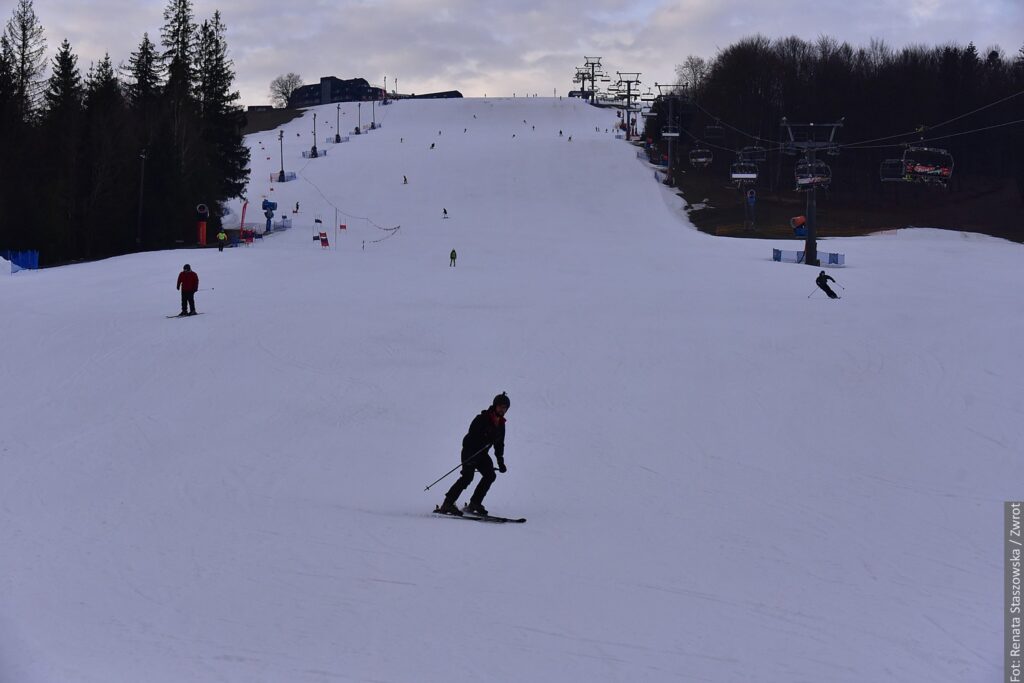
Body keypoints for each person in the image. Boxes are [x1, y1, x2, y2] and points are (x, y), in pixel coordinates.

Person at [438, 393, 510, 516]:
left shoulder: (501, 424)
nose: (502, 410)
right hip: (470, 451)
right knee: (467, 477)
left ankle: (475, 503)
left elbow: (499, 445)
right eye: (500, 407)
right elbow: (472, 435)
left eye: (505, 407)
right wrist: (483, 441)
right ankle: (448, 503)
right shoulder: (482, 418)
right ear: (495, 406)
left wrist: (501, 462)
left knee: (490, 475)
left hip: (482, 454)